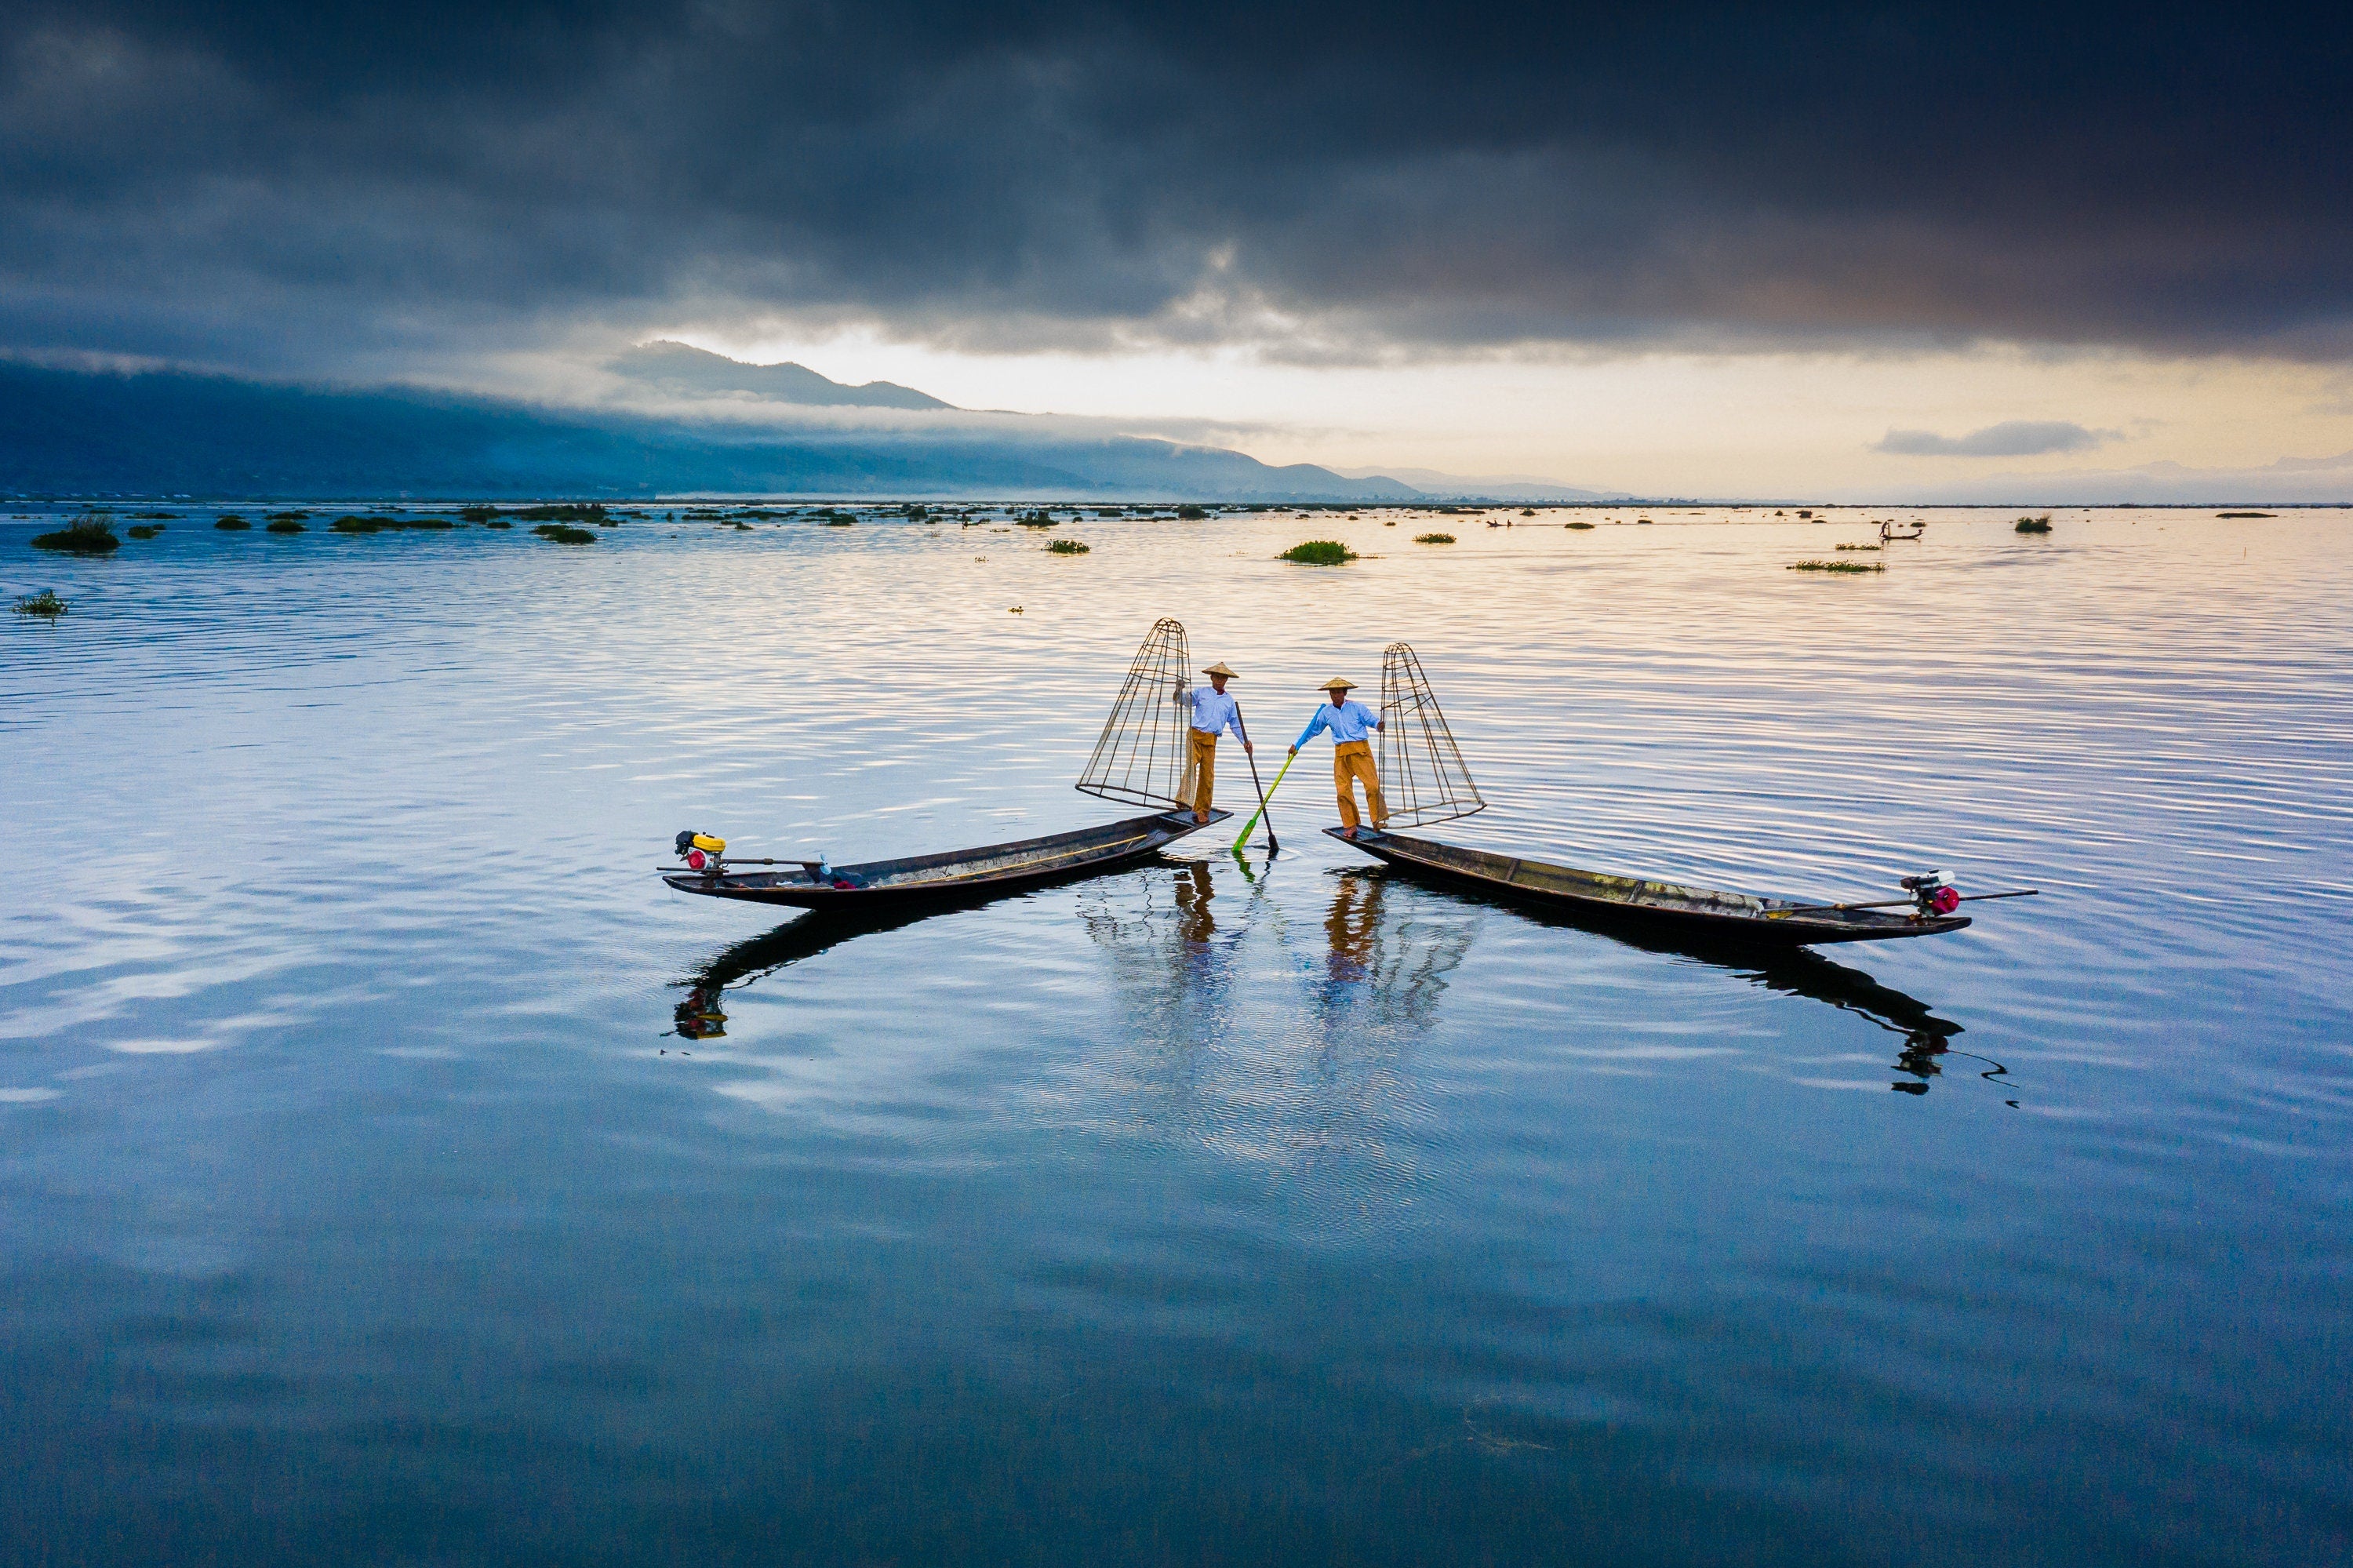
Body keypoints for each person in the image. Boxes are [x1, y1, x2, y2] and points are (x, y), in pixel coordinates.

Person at [1290, 677, 1387, 838]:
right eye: (1332, 693)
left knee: (1372, 787)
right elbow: (1313, 729)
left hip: (1360, 751)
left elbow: (1373, 721)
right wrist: (1296, 744)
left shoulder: (1357, 708)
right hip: (1341, 753)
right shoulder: (1326, 712)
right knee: (1343, 791)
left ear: (1344, 693)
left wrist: (1379, 725)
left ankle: (1378, 820)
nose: (1335, 695)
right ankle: (1350, 825)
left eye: (1338, 692)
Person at [1183, 661, 1252, 824]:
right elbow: (1186, 701)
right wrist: (1180, 691)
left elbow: (1235, 724)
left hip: (1211, 740)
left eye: (1223, 678)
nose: (1220, 681)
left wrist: (1245, 742)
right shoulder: (1202, 692)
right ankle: (1184, 800)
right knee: (1191, 766)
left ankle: (1201, 809)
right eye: (1217, 677)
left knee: (1208, 777)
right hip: (1195, 735)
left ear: (1226, 680)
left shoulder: (1228, 701)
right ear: (1212, 678)